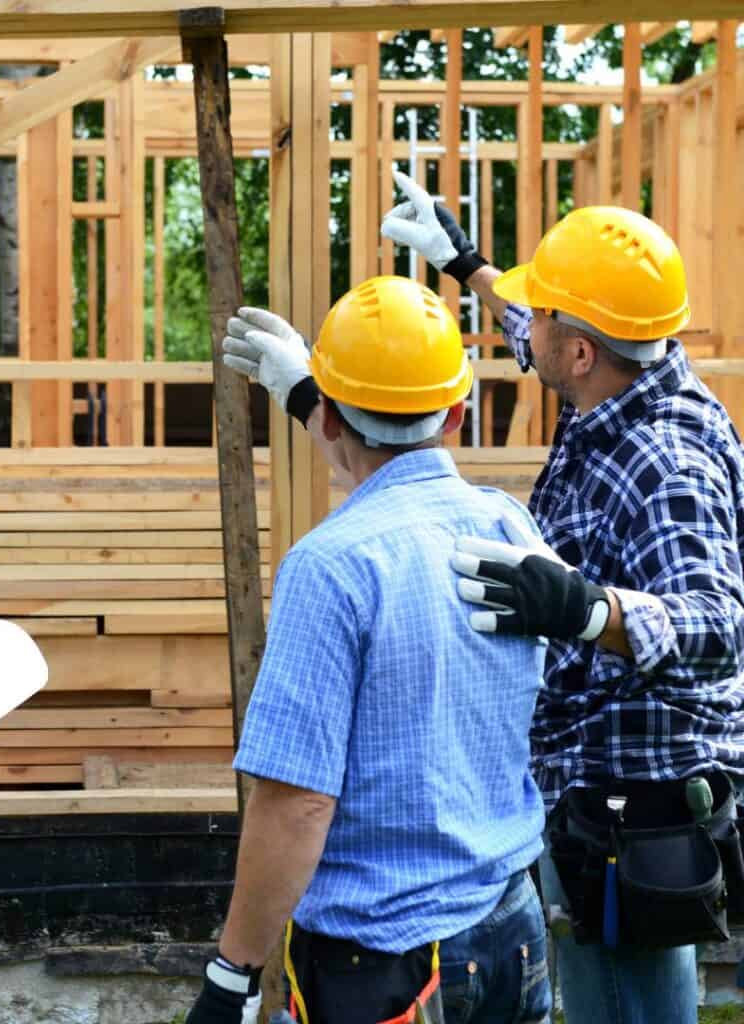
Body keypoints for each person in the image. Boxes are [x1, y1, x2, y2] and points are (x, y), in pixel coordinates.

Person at [382, 172, 744, 1023]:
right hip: (597, 792)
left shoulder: (666, 463)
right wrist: (464, 261)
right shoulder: (623, 371)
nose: (527, 319)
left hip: (631, 806)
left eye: (544, 311)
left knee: (628, 1003)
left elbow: (720, 625)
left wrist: (588, 610)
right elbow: (537, 335)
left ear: (582, 351)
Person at [184, 276, 551, 1024]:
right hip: (510, 923)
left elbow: (297, 804)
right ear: (456, 412)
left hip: (388, 964)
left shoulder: (332, 567)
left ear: (323, 414)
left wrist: (232, 973)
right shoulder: (509, 527)